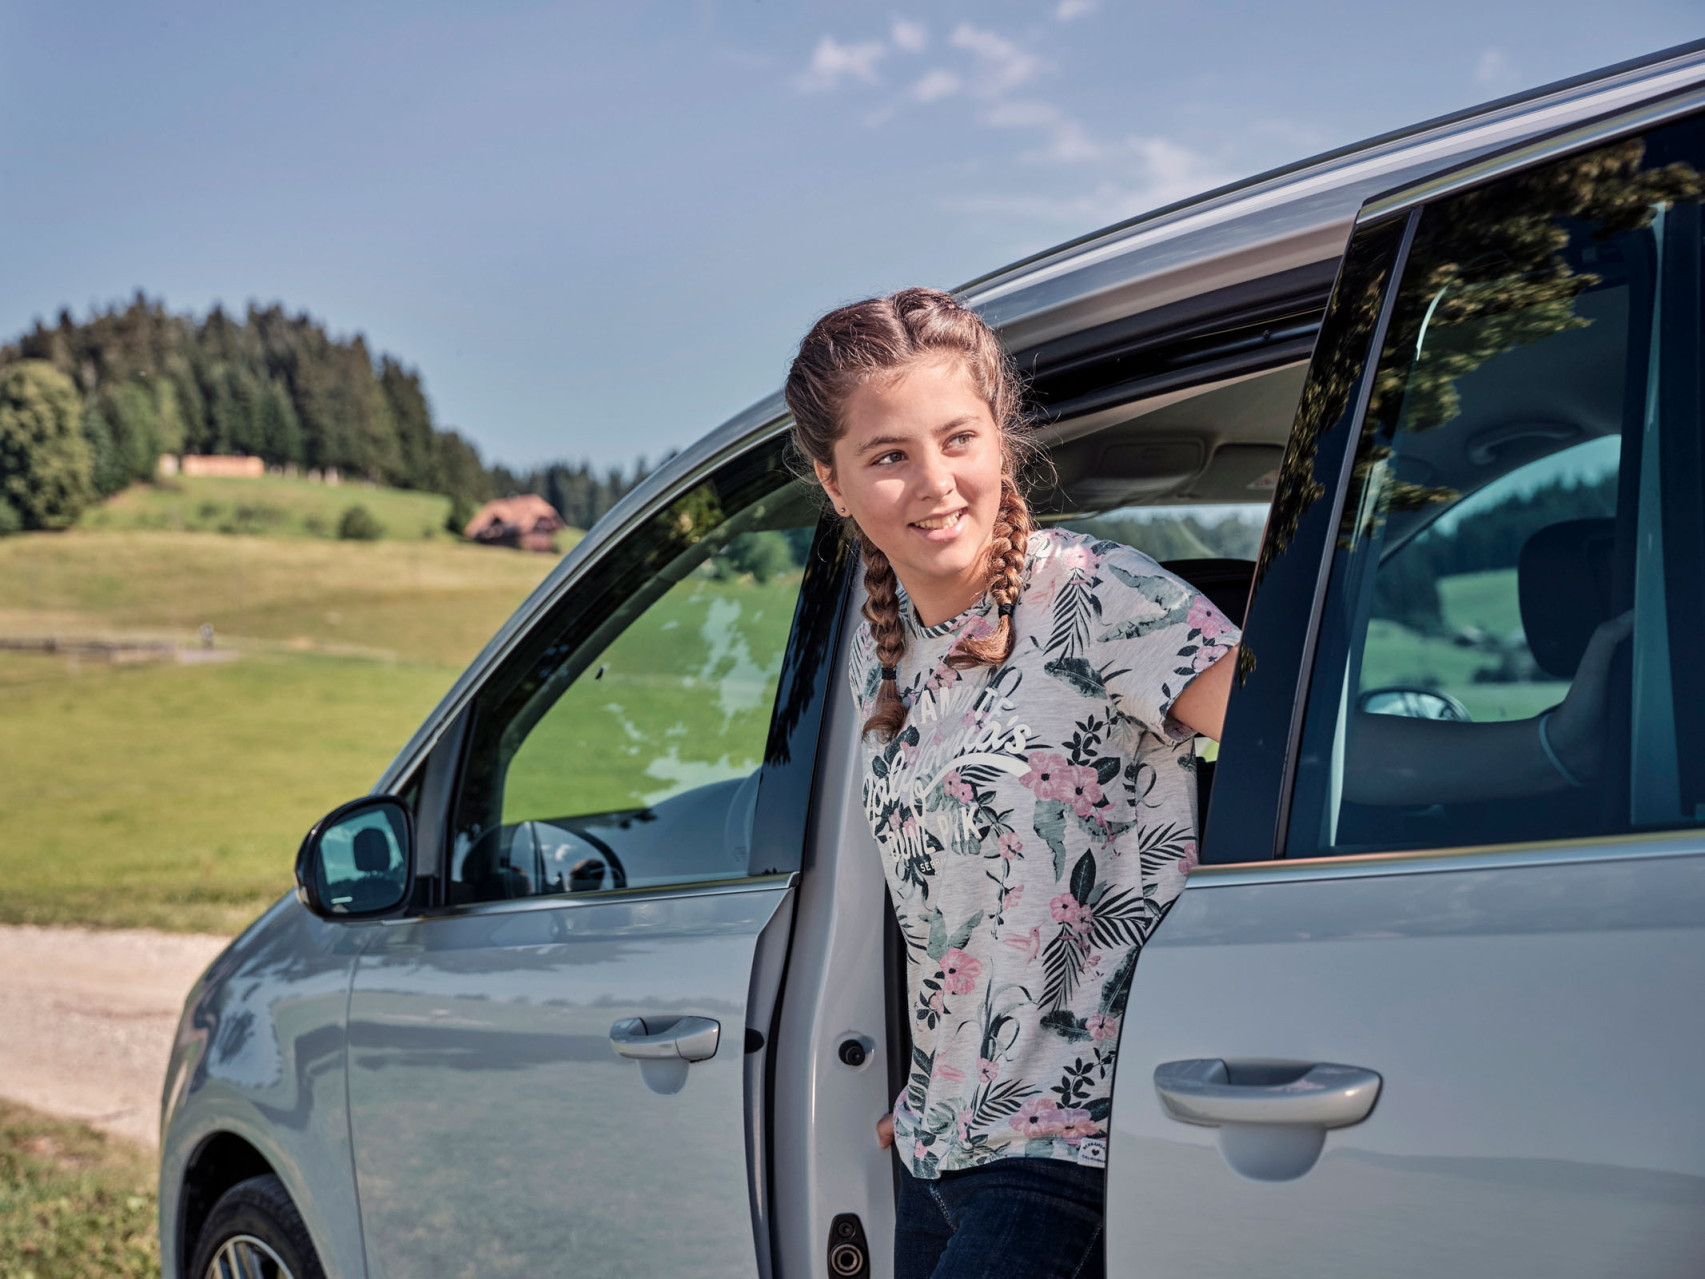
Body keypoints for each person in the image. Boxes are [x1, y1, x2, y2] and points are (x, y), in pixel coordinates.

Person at [784, 288, 1630, 1279]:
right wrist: (937, 1086)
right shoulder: (879, 656)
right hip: (937, 1154)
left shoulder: (1095, 597)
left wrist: (1550, 746)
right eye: (889, 456)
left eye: (959, 438)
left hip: (1067, 1156)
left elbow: (1311, 755)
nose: (936, 481)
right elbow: (957, 918)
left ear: (1000, 442)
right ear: (832, 481)